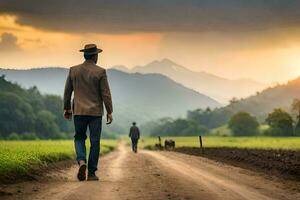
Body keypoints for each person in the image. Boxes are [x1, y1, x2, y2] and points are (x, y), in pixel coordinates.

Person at [63, 44, 113, 181]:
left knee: (79, 138)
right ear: (95, 56)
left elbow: (67, 92)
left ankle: (81, 162)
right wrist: (109, 111)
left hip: (79, 111)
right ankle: (91, 173)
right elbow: (106, 94)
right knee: (95, 141)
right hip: (95, 113)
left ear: (85, 55)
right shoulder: (101, 72)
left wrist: (67, 108)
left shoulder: (73, 70)